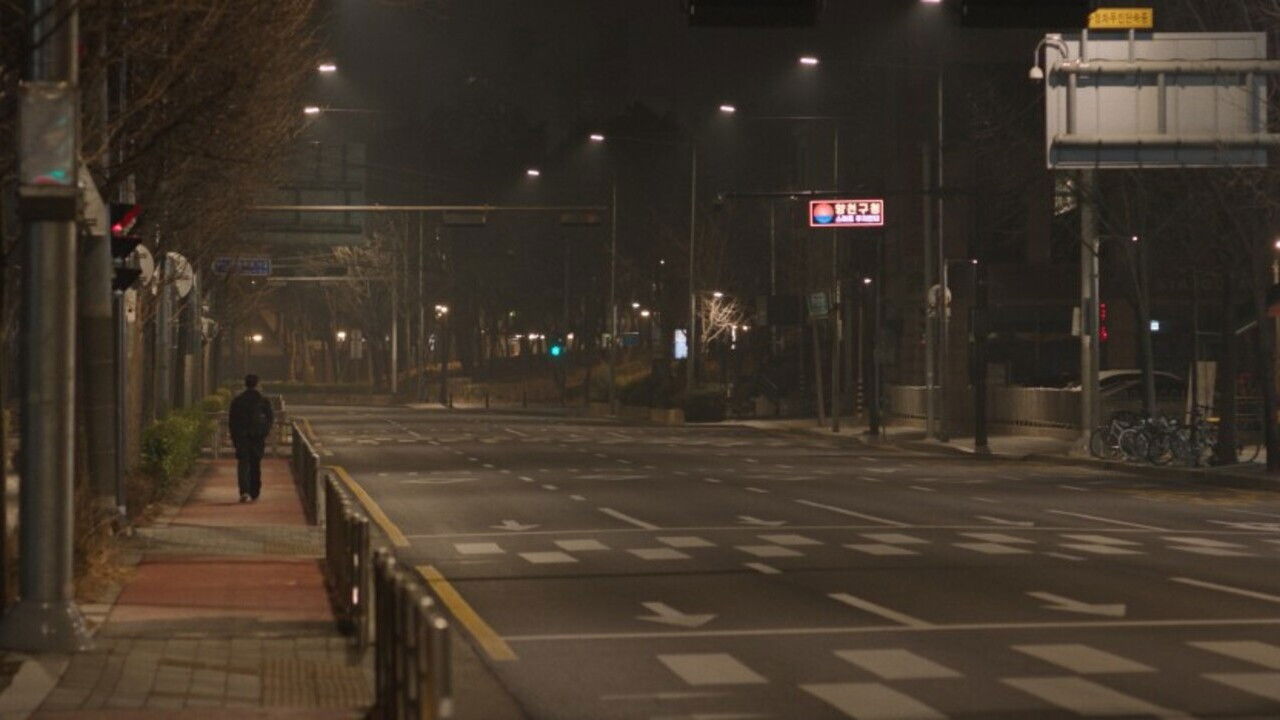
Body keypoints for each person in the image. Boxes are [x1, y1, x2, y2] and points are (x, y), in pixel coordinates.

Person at [228, 374, 273, 502]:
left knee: (243, 464)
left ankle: (244, 492)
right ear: (257, 384)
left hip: (241, 437)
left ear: (245, 384)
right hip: (257, 437)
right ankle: (254, 491)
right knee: (255, 464)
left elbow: (232, 421)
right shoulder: (263, 401)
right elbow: (270, 419)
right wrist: (264, 432)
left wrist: (234, 437)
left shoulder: (238, 401)